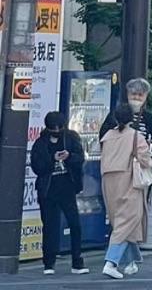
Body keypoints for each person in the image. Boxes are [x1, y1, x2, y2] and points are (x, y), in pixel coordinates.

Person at [99, 103, 152, 279]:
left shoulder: (107, 136)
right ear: (131, 118)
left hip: (108, 181)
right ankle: (111, 262)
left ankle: (132, 262)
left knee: (120, 221)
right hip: (128, 180)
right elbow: (145, 161)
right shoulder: (135, 136)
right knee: (129, 219)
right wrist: (151, 149)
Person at [30, 110, 87, 275]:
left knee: (75, 224)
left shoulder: (71, 138)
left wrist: (68, 156)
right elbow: (37, 166)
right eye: (53, 129)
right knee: (50, 226)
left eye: (59, 128)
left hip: (67, 186)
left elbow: (80, 158)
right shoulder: (40, 143)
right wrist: (52, 159)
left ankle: (77, 261)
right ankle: (48, 263)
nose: (56, 131)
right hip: (48, 189)